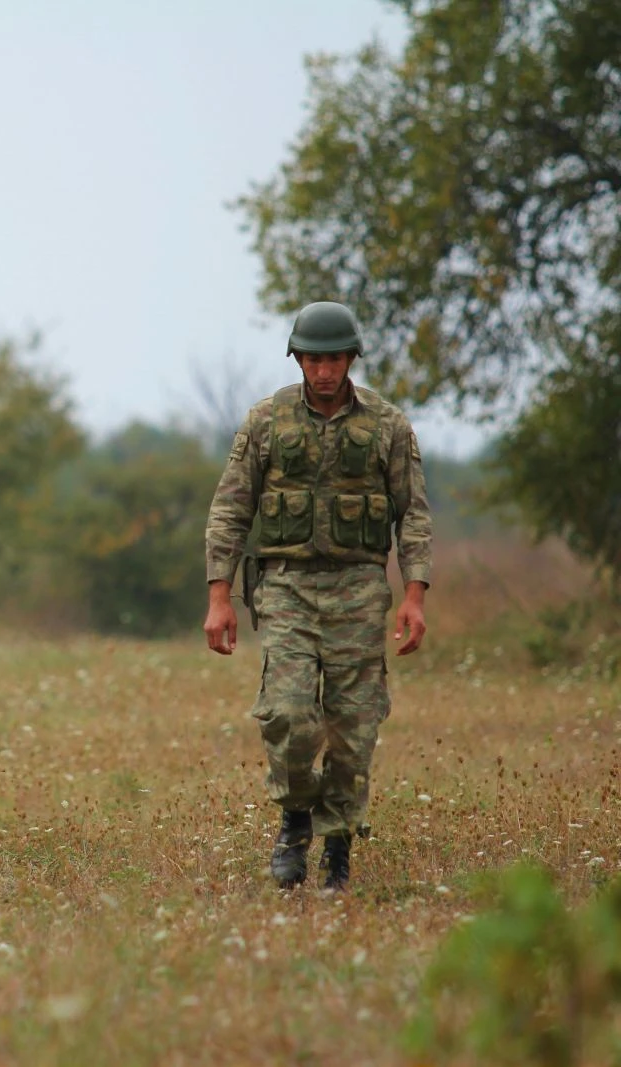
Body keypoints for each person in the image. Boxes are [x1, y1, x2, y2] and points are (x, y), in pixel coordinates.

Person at [203, 301, 433, 892]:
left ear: (351, 359)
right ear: (298, 359)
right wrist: (219, 596)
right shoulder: (266, 421)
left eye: (333, 359)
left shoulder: (387, 425)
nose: (324, 371)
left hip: (359, 589)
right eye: (312, 359)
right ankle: (296, 816)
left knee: (354, 727)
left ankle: (337, 845)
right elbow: (230, 509)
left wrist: (414, 595)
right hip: (286, 588)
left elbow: (412, 514)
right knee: (287, 713)